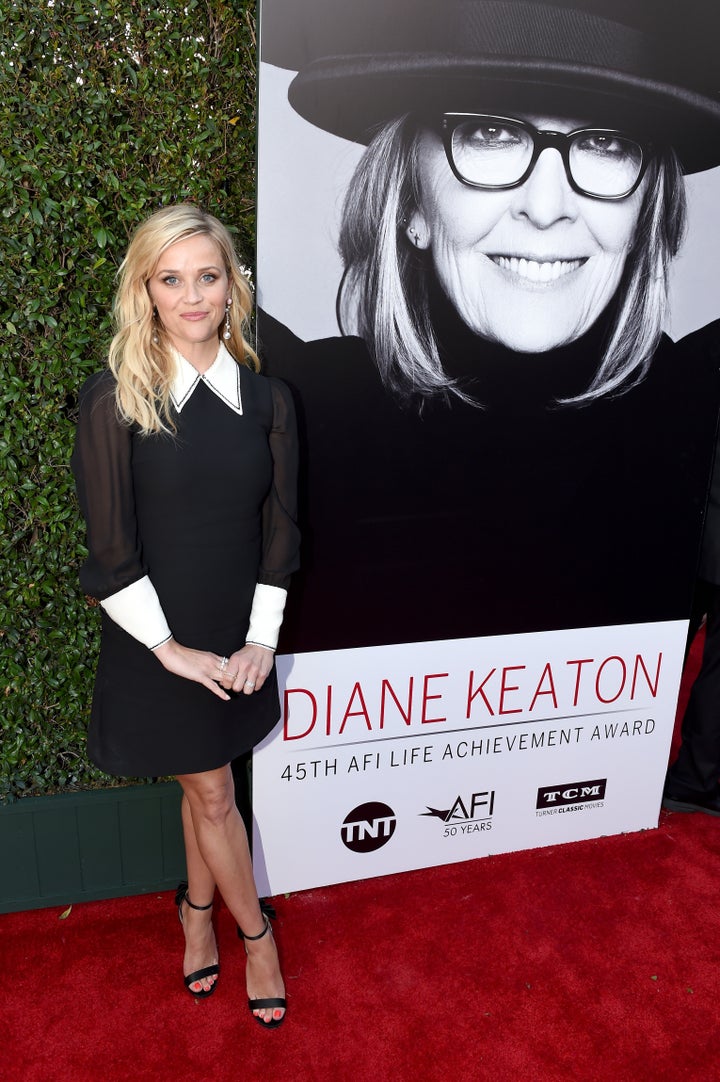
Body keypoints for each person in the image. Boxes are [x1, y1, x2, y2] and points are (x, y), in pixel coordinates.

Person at [257, 0, 720, 654]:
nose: (546, 207)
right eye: (489, 134)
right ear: (411, 199)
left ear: (648, 213)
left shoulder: (703, 419)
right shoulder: (287, 410)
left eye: (607, 143)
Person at [71, 204, 300, 1027]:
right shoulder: (115, 404)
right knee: (212, 792)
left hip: (238, 641)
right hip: (155, 643)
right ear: (146, 291)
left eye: (208, 276)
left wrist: (261, 641)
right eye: (172, 279)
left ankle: (196, 914)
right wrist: (170, 650)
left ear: (231, 286)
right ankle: (257, 933)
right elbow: (108, 555)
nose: (193, 296)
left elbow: (282, 532)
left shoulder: (270, 400)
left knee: (205, 786)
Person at [663, 433, 720, 816]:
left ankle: (626, 768)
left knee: (659, 653)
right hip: (689, 526)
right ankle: (694, 779)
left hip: (684, 528)